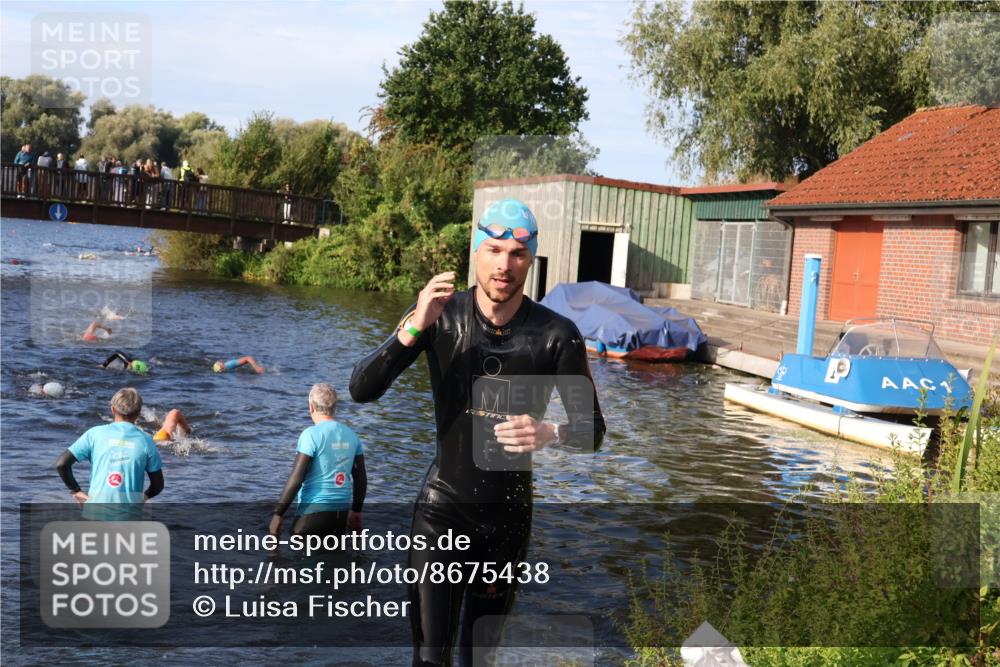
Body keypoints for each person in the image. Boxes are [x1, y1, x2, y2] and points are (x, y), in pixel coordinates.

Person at [349, 198, 606, 666]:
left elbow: (593, 431)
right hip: (441, 513)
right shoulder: (440, 314)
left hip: (506, 523)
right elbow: (362, 389)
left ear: (531, 260)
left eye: (517, 254)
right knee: (430, 657)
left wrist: (550, 432)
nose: (504, 265)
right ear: (476, 252)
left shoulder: (557, 334)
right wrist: (414, 328)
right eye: (494, 250)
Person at [269, 383, 366, 538]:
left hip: (311, 516)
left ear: (311, 407)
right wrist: (356, 511)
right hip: (340, 517)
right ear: (335, 407)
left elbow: (296, 478)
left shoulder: (310, 435)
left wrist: (278, 513)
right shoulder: (352, 436)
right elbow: (360, 478)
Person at [54, 388, 164, 515]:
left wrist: (76, 490)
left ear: (113, 409)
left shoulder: (94, 434)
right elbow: (157, 485)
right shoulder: (146, 441)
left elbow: (61, 464)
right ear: (139, 413)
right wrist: (142, 498)